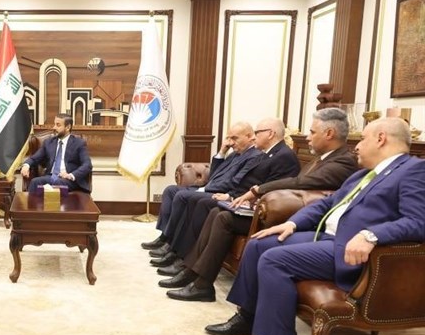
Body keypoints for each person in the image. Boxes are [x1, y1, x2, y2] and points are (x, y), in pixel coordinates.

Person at [206, 118, 425, 335]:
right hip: (326, 237)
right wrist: (292, 224)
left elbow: (418, 221)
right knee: (259, 243)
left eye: (363, 139)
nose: (356, 146)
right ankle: (248, 316)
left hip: (350, 250)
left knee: (274, 260)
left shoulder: (413, 170)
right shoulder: (364, 174)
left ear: (381, 138)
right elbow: (326, 204)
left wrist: (371, 235)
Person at [162, 108, 358, 301]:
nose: (307, 137)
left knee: (222, 217)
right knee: (218, 213)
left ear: (329, 133)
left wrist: (257, 191)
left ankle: (202, 284)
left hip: (291, 218)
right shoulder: (320, 159)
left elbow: (299, 183)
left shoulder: (343, 162)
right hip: (277, 209)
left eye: (312, 132)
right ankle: (194, 274)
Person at [152, 118, 300, 273]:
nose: (255, 137)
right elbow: (221, 176)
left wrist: (230, 196)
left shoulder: (281, 156)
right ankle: (173, 247)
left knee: (199, 202)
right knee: (180, 194)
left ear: (270, 134)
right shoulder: (262, 154)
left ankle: (181, 256)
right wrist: (222, 153)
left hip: (253, 207)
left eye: (257, 133)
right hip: (236, 197)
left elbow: (267, 187)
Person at [142, 122, 263, 252]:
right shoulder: (235, 153)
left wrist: (206, 189)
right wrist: (222, 152)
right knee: (170, 190)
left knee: (182, 196)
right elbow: (214, 174)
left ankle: (170, 242)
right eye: (229, 138)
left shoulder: (254, 156)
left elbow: (235, 182)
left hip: (219, 193)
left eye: (234, 138)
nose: (231, 143)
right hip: (208, 188)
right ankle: (164, 236)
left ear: (249, 136)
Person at [21, 114, 92, 194]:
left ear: (68, 127)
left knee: (58, 183)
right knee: (35, 182)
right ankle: (32, 203)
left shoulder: (79, 143)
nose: (54, 127)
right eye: (54, 124)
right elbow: (35, 158)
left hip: (68, 180)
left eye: (58, 125)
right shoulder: (49, 142)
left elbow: (87, 165)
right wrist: (26, 165)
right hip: (50, 176)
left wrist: (71, 175)